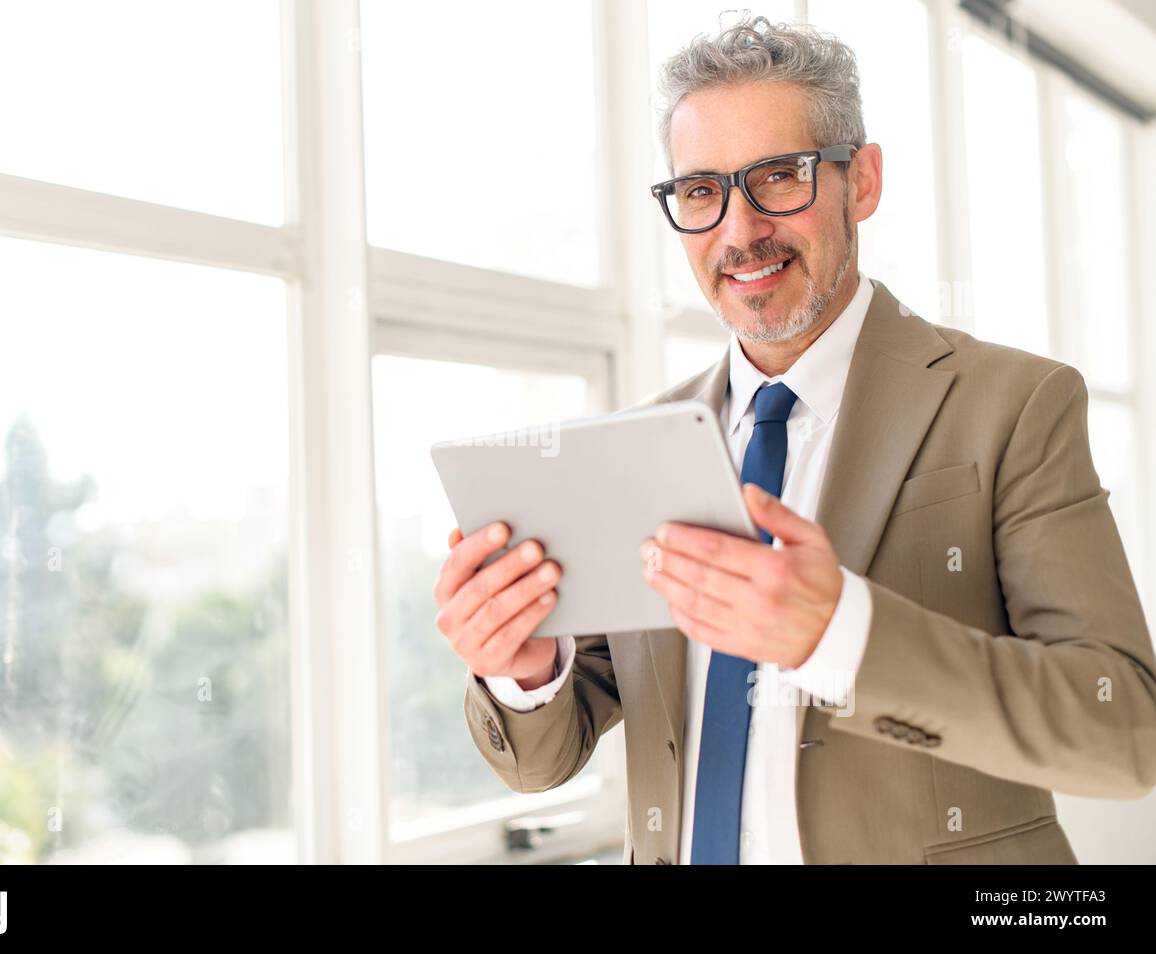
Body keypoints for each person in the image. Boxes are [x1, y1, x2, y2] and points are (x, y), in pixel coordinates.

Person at [433, 15, 1156, 864]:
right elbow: (548, 756)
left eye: (779, 177)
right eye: (701, 191)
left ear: (865, 181)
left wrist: (841, 633)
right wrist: (522, 671)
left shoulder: (1014, 405)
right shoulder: (637, 450)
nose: (738, 231)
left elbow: (1123, 732)